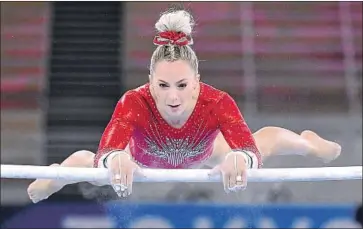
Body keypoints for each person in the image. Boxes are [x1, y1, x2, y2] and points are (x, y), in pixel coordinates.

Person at [27, 9, 341, 203]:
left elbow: (248, 147)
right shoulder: (133, 102)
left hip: (203, 150)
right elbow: (110, 147)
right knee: (92, 167)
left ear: (197, 81)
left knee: (264, 143)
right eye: (162, 86)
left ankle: (308, 144)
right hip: (143, 154)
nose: (173, 97)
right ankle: (56, 173)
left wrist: (242, 160)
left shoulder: (216, 101)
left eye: (183, 85)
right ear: (149, 81)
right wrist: (114, 160)